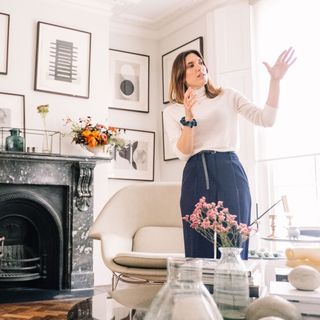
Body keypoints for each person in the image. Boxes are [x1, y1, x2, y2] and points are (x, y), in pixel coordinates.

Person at [163, 48, 296, 260]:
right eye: (191, 65)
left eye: (201, 62)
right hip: (197, 172)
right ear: (181, 75)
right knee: (198, 246)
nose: (200, 67)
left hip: (229, 168)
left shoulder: (228, 95)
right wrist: (188, 115)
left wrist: (275, 82)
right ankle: (201, 293)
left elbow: (266, 119)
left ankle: (234, 292)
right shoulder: (172, 111)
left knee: (234, 243)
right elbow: (183, 152)